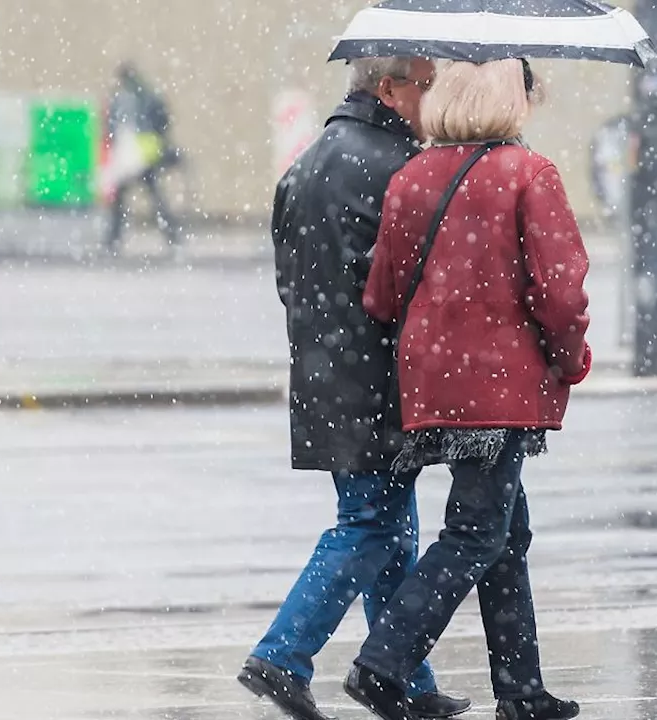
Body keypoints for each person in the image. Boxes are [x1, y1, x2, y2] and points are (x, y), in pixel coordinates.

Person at [343, 58, 591, 720]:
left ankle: (522, 691)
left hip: (435, 383)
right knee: (476, 534)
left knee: (506, 534)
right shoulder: (528, 175)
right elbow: (560, 291)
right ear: (511, 98)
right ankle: (382, 662)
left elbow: (384, 294)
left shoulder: (413, 175)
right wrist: (570, 359)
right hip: (501, 386)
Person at [238, 56, 471, 720]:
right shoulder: (398, 164)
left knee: (391, 527)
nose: (432, 99)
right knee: (371, 525)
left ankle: (404, 679)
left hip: (324, 372)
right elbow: (407, 284)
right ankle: (282, 656)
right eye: (425, 85)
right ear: (389, 87)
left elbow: (290, 280)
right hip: (377, 376)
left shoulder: (310, 161)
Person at [104, 62, 182, 253]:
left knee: (126, 197)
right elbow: (163, 119)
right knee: (153, 195)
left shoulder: (125, 98)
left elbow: (113, 126)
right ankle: (171, 234)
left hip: (134, 154)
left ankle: (114, 238)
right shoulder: (145, 95)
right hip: (143, 153)